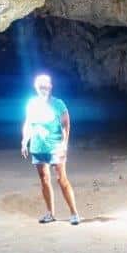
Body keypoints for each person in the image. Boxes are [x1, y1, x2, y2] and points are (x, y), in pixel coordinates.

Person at [21, 74, 80, 225]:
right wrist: (24, 141)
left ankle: (74, 213)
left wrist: (64, 145)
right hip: (38, 146)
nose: (43, 88)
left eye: (46, 85)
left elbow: (66, 125)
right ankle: (50, 213)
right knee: (44, 179)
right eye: (41, 86)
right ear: (36, 88)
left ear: (50, 87)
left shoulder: (58, 104)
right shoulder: (32, 104)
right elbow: (28, 123)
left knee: (62, 179)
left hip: (55, 147)